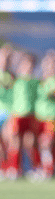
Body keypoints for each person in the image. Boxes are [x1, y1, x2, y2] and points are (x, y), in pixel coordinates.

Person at [5, 51, 40, 179]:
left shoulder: (36, 81)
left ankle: (36, 168)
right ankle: (14, 168)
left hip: (31, 115)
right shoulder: (15, 78)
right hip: (17, 114)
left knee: (31, 142)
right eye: (26, 63)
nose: (28, 66)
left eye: (30, 64)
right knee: (15, 142)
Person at [34, 50, 55, 180]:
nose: (49, 66)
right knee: (35, 143)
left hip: (50, 117)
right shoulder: (39, 80)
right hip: (38, 116)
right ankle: (41, 168)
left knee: (46, 143)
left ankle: (47, 170)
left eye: (52, 63)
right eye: (47, 63)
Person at [0, 44, 15, 177]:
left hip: (8, 112)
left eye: (7, 57)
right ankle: (3, 167)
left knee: (8, 141)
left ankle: (10, 168)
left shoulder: (13, 75)